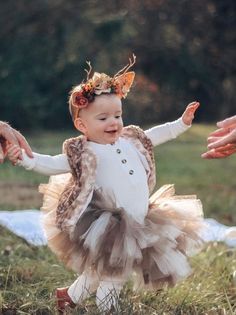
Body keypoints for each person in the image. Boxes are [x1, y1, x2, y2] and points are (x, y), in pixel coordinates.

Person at [6, 56, 205, 314]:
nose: (113, 123)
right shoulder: (84, 152)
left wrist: (181, 124)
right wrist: (24, 159)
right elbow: (51, 163)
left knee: (97, 272)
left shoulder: (131, 139)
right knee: (114, 275)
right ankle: (108, 309)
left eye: (118, 115)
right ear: (81, 125)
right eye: (103, 118)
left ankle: (68, 296)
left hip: (141, 218)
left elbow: (155, 134)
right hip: (109, 226)